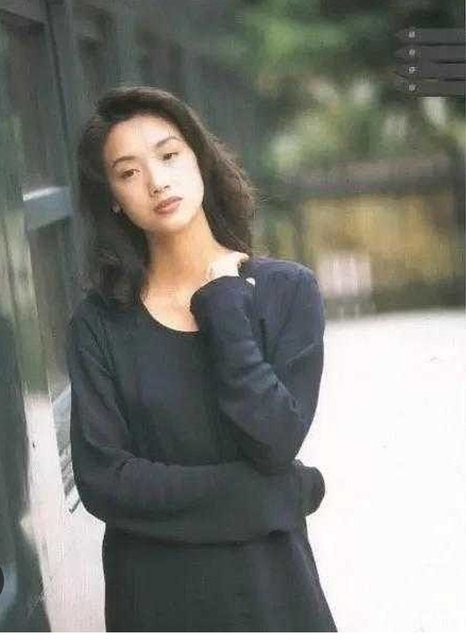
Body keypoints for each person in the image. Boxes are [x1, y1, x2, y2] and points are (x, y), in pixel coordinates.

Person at [66, 85, 337, 632]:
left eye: (168, 155)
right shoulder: (99, 323)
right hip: (156, 600)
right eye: (128, 172)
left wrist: (223, 302)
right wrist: (271, 495)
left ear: (201, 160)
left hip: (272, 592)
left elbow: (274, 439)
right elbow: (105, 480)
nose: (156, 181)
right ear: (113, 198)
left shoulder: (285, 291)